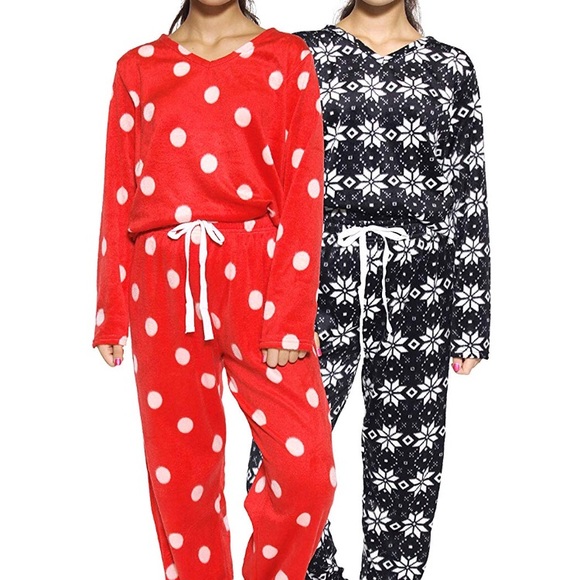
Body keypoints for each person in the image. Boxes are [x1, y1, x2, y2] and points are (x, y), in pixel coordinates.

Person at [92, 1, 337, 578]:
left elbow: (304, 193)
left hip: (259, 274)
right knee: (182, 478)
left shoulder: (288, 58)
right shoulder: (138, 67)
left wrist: (289, 317)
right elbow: (118, 192)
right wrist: (110, 309)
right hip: (161, 280)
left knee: (307, 472)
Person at [248, 0, 491, 578]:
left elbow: (467, 193)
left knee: (406, 471)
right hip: (311, 279)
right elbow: (266, 177)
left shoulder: (451, 67)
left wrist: (471, 318)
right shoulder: (299, 54)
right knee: (280, 461)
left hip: (421, 287)